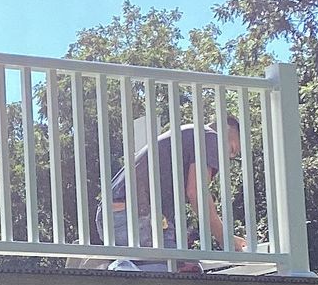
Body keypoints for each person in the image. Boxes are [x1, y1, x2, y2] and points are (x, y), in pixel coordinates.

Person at [102, 116, 247, 271]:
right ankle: (118, 268)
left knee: (187, 269)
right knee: (167, 276)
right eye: (232, 149)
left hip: (120, 215)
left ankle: (113, 267)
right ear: (227, 129)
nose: (230, 157)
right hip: (132, 215)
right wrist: (224, 238)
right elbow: (197, 192)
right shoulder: (210, 137)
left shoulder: (190, 135)